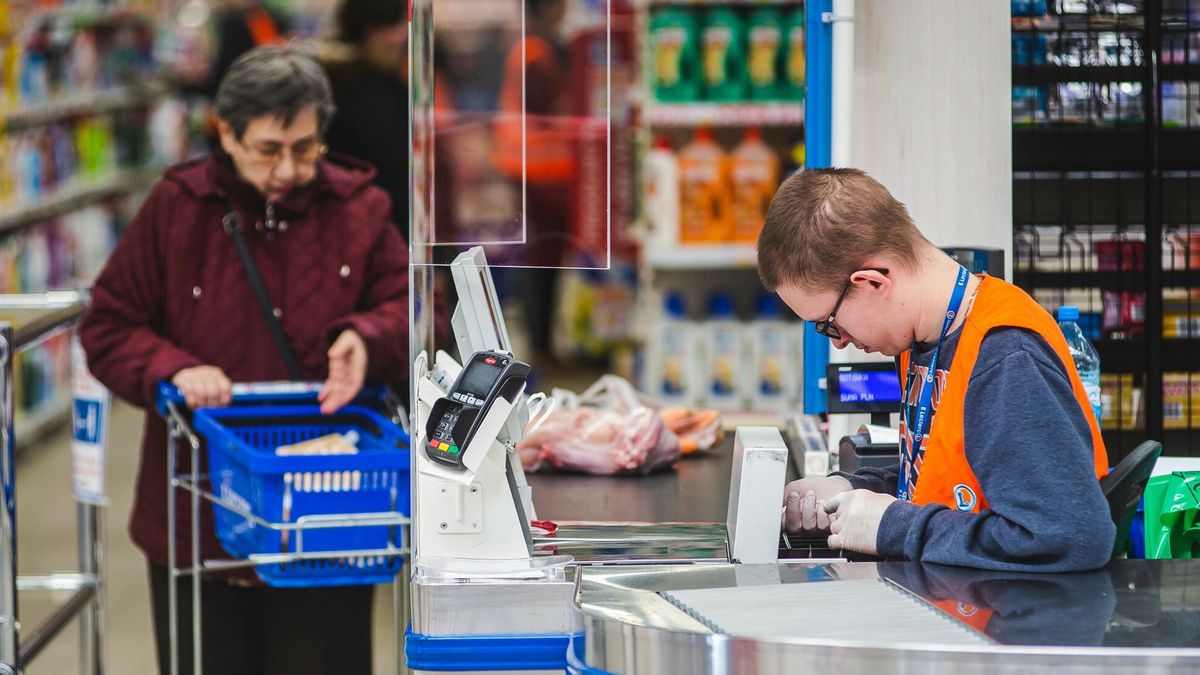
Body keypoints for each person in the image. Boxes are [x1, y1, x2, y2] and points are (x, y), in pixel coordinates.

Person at [79, 46, 408, 675]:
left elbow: (419, 312)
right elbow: (109, 324)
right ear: (225, 134)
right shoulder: (178, 209)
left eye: (306, 147)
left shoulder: (360, 209)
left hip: (327, 521)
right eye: (268, 150)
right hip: (200, 512)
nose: (289, 168)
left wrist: (366, 336)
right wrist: (172, 367)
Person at [761, 168, 1114, 572]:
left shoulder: (1004, 357)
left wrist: (893, 526)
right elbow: (950, 478)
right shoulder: (925, 341)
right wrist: (853, 487)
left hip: (1006, 624)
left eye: (829, 323)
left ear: (873, 282)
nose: (838, 341)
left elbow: (1068, 535)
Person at [319, 0, 409, 233]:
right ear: (371, 31)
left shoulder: (339, 82)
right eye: (395, 25)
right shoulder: (368, 93)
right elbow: (395, 171)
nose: (403, 35)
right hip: (377, 230)